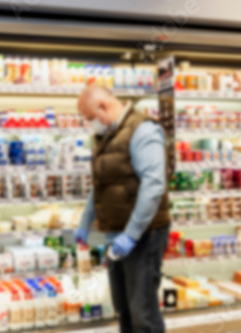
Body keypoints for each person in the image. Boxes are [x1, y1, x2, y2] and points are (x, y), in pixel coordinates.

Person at [75, 84, 170, 333]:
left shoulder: (143, 129)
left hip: (144, 235)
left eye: (89, 118)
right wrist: (85, 222)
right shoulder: (106, 136)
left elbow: (154, 185)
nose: (88, 125)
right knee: (124, 309)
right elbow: (101, 184)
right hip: (116, 234)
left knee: (143, 314)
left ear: (104, 107)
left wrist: (131, 234)